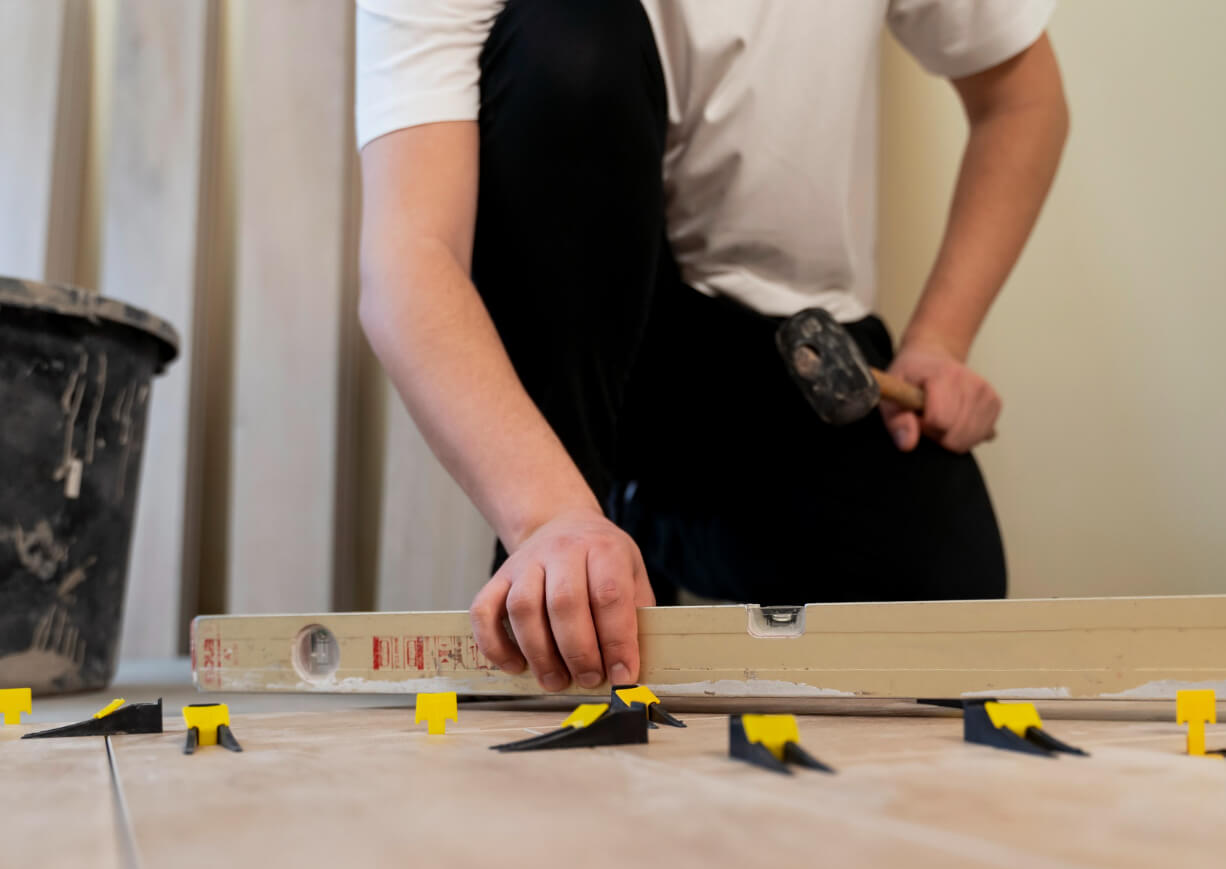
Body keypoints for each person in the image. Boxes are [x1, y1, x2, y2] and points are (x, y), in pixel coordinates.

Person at [355, 0, 1068, 693]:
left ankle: (642, 521)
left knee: (944, 592)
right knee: (571, 37)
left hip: (773, 345)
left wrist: (940, 339)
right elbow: (411, 258)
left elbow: (1022, 102)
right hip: (567, 353)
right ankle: (574, 539)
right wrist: (550, 518)